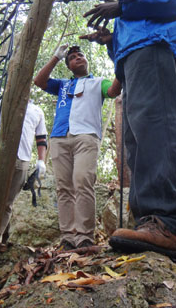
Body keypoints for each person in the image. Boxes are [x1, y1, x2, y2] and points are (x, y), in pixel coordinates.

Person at [82, 0, 176, 260]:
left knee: (156, 129)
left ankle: (172, 223)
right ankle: (150, 221)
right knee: (136, 140)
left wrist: (122, 6)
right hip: (133, 63)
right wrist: (110, 41)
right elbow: (126, 40)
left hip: (156, 52)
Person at [34, 44, 121, 251]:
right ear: (69, 66)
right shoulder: (62, 85)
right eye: (72, 57)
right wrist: (56, 56)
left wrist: (121, 61)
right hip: (59, 137)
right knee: (63, 186)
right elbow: (39, 81)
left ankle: (84, 236)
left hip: (86, 136)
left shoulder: (98, 82)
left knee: (83, 181)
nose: (77, 58)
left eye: (80, 55)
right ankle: (67, 236)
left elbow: (113, 90)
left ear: (86, 60)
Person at [0, 98, 47, 243]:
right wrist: (3, 145)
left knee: (8, 202)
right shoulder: (4, 102)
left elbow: (41, 138)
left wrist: (41, 161)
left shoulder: (37, 110)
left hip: (23, 160)